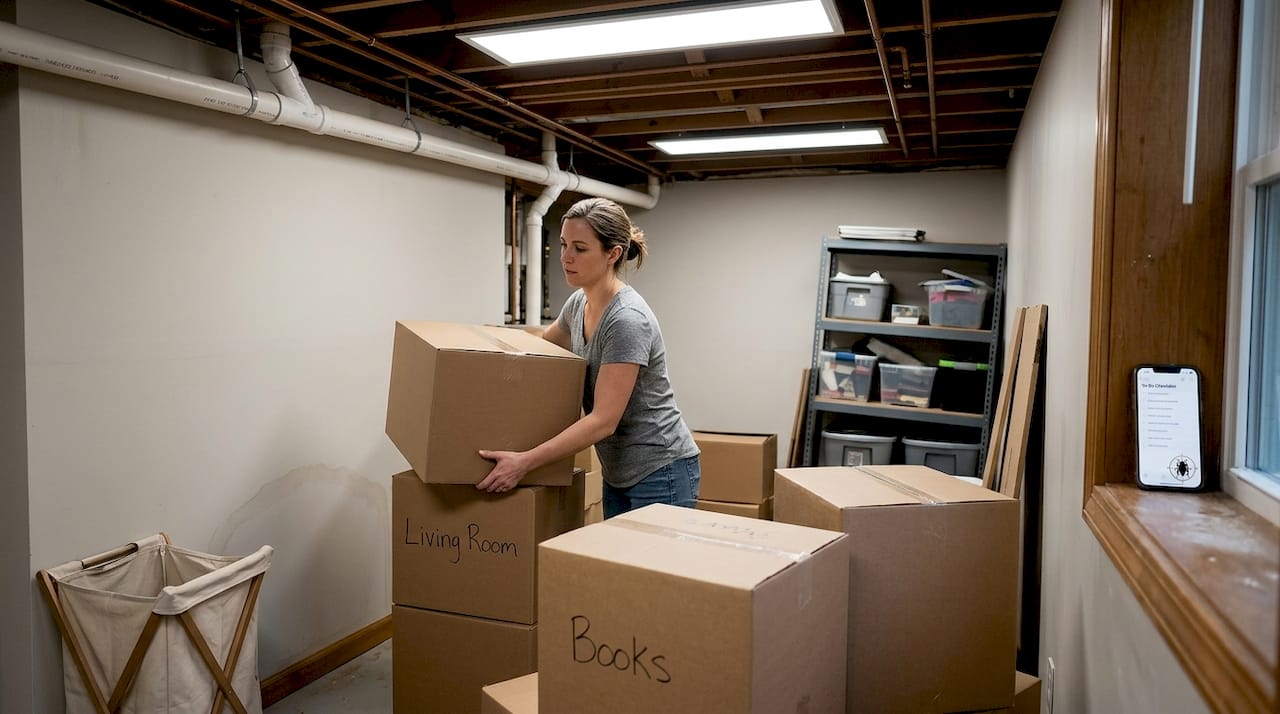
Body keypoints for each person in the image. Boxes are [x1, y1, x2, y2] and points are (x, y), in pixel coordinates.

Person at [477, 197, 700, 518]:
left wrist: (524, 462)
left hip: (660, 471)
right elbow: (540, 352)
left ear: (613, 254)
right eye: (564, 244)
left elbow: (603, 421)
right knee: (618, 568)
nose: (565, 257)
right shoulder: (578, 304)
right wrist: (482, 349)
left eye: (580, 249)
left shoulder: (626, 320)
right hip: (619, 472)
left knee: (645, 569)